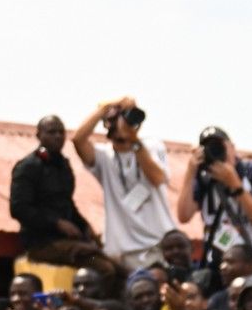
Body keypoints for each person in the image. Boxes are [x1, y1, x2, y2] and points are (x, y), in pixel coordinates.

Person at [71, 96, 175, 269]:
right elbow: (78, 140)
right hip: (122, 252)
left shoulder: (151, 146)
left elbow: (157, 178)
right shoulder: (103, 156)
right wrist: (104, 109)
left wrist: (133, 140)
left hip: (157, 245)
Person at [9, 114, 110, 271]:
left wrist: (84, 227)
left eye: (61, 132)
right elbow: (19, 208)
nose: (58, 136)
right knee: (103, 267)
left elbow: (67, 204)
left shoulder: (64, 166)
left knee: (110, 258)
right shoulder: (28, 167)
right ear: (39, 135)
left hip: (67, 244)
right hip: (41, 245)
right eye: (51, 132)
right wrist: (56, 223)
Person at [176, 127, 252, 270]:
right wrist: (190, 172)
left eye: (219, 146)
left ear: (232, 147)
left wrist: (235, 184)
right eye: (209, 147)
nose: (215, 151)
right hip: (218, 262)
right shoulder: (204, 177)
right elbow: (183, 216)